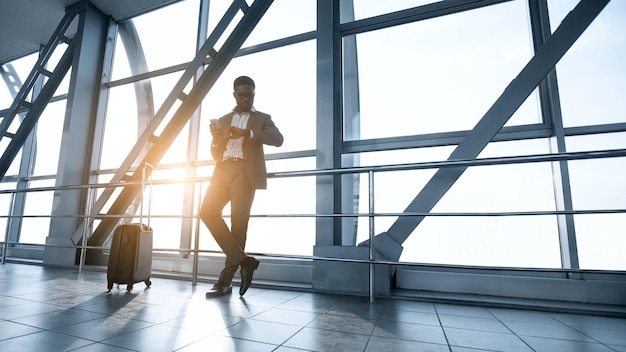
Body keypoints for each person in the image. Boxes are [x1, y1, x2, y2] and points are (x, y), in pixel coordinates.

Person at [201, 76, 284, 297]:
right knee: (207, 212)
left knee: (238, 226)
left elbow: (278, 139)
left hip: (244, 173)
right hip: (221, 171)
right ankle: (245, 262)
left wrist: (248, 133)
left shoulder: (262, 118)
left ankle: (224, 282)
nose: (246, 98)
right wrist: (217, 139)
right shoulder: (224, 119)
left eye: (250, 94)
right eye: (242, 94)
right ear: (235, 95)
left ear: (254, 94)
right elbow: (215, 152)